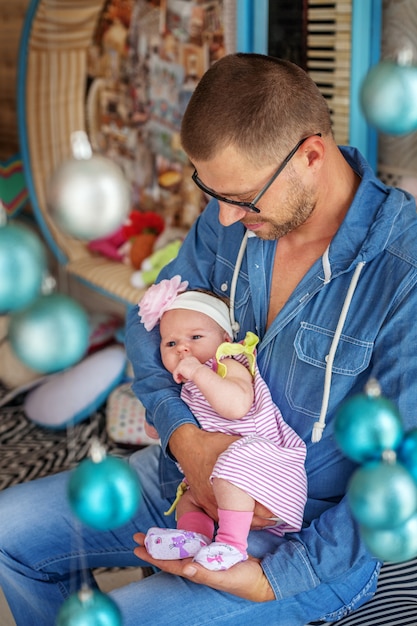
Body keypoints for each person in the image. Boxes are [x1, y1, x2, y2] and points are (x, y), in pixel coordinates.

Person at [1, 52, 417, 626]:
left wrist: (273, 580)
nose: (220, 220)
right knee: (7, 533)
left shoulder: (404, 272)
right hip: (183, 478)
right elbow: (149, 325)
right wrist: (186, 443)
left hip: (299, 534)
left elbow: (402, 475)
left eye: (240, 199)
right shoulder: (238, 215)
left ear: (311, 156)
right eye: (210, 192)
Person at [137, 275, 307, 570]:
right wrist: (157, 425)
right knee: (190, 496)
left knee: (229, 471)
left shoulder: (228, 365)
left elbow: (236, 407)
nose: (182, 349)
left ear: (225, 341)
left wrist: (199, 374)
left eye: (195, 337)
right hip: (226, 471)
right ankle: (192, 538)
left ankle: (232, 544)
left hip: (266, 465)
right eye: (171, 343)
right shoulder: (189, 381)